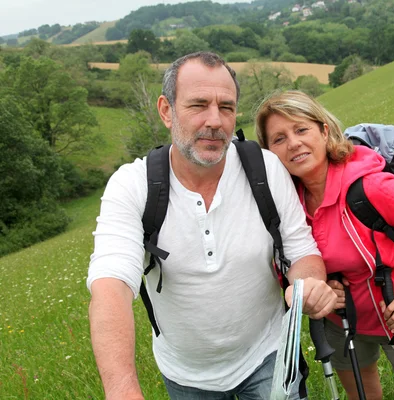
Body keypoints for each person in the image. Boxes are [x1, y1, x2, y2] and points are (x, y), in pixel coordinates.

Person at [87, 53, 337, 400]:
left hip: (269, 356)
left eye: (227, 107)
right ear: (166, 110)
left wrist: (307, 285)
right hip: (185, 374)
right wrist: (122, 391)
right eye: (198, 105)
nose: (215, 121)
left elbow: (302, 251)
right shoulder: (133, 185)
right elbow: (110, 286)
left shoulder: (265, 169)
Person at [254, 90, 394, 400]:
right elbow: (284, 266)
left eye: (301, 129)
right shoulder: (284, 206)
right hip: (342, 324)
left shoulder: (371, 186)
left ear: (324, 130)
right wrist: (322, 284)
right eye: (278, 139)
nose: (293, 143)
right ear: (269, 153)